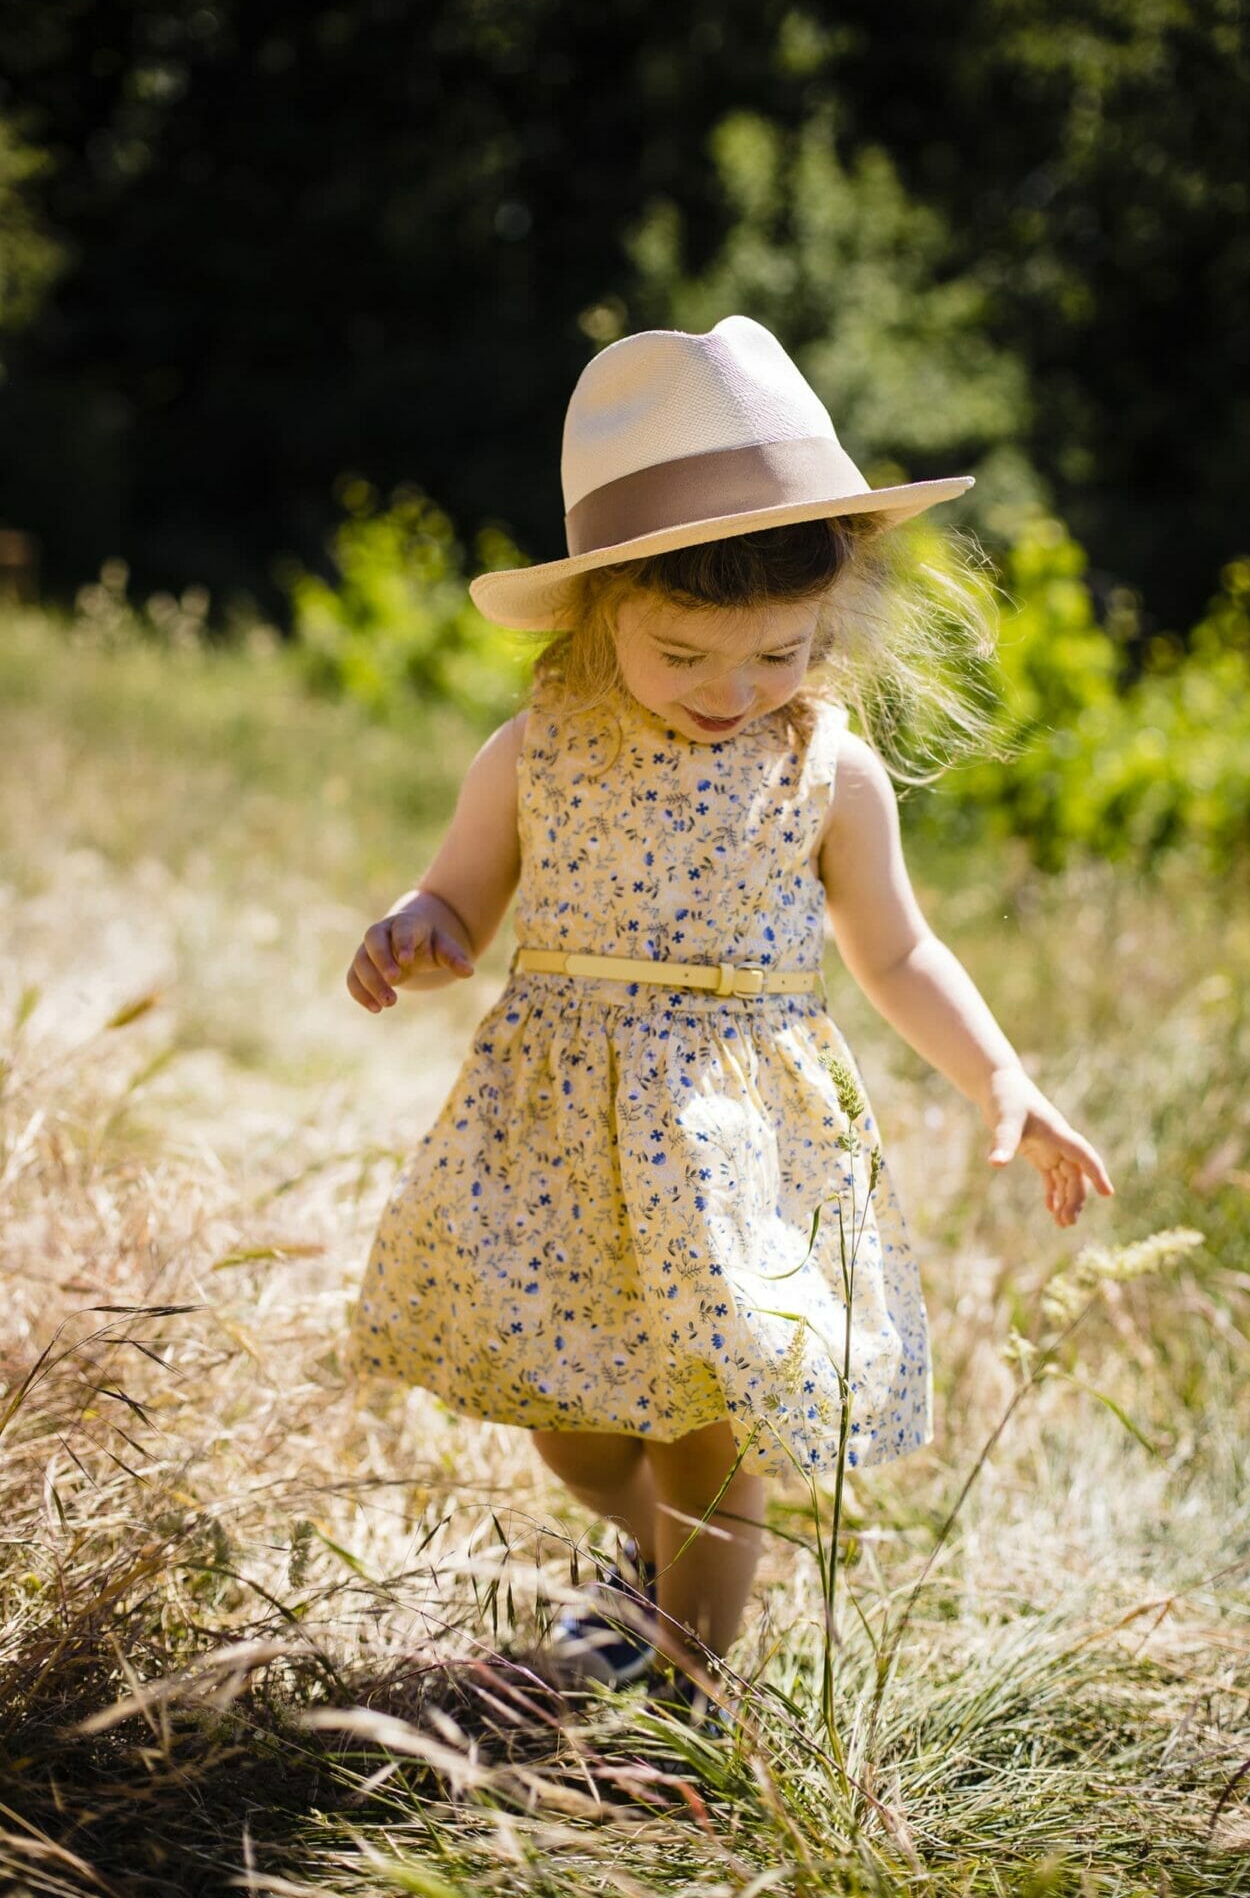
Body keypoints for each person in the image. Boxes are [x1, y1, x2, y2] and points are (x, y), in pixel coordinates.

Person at [344, 315, 1115, 1733]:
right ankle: (645, 1561)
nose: (732, 691)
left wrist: (1005, 1076)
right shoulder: (539, 746)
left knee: (708, 1417)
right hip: (563, 1126)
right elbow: (459, 898)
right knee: (568, 1418)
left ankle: (699, 1687)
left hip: (735, 1135)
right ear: (601, 614)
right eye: (685, 651)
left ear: (832, 622)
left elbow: (899, 950)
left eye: (778, 651)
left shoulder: (833, 770)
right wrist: (419, 934)